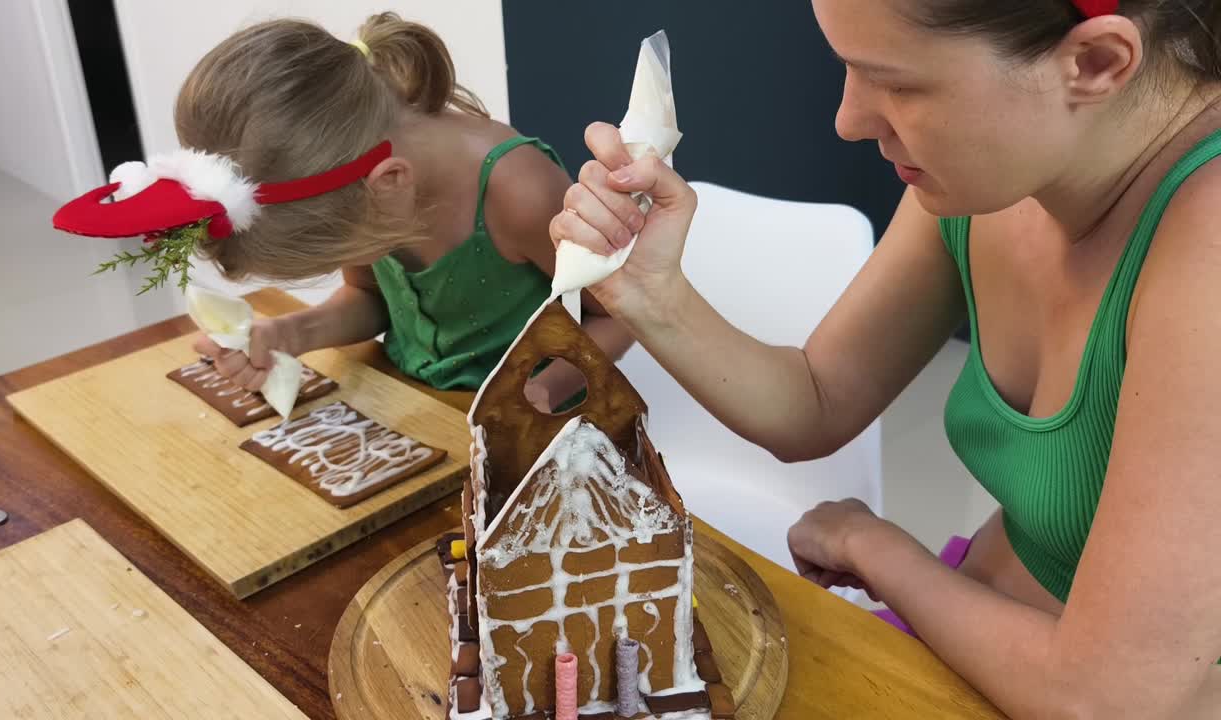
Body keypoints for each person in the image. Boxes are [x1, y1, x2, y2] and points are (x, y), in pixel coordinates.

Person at [551, 1, 1221, 717]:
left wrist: (873, 546)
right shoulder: (995, 177)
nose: (848, 118)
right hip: (972, 625)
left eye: (896, 84)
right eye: (846, 67)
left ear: (1094, 64)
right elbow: (816, 399)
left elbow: (1105, 698)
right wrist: (654, 296)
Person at [71, 13, 632, 410]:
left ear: (387, 185)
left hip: (533, 425)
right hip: (419, 405)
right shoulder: (368, 181)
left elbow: (620, 316)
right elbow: (371, 300)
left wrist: (540, 393)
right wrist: (288, 333)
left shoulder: (521, 193)